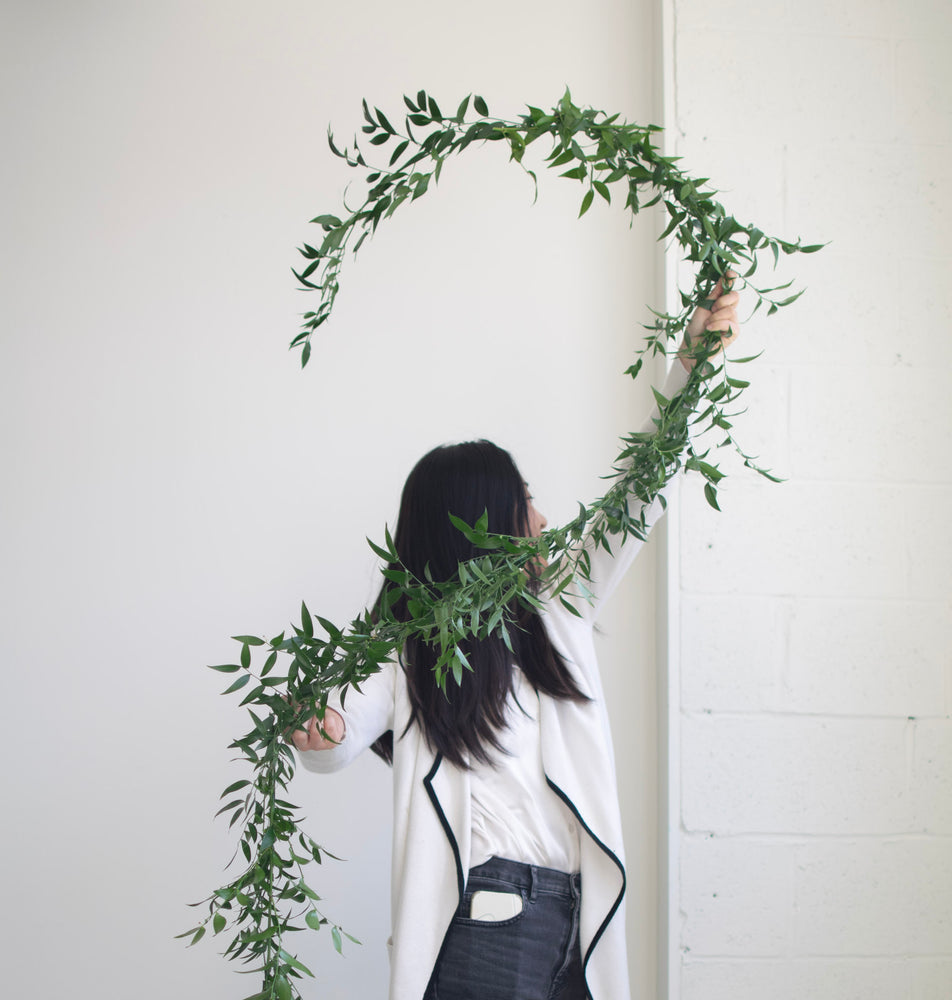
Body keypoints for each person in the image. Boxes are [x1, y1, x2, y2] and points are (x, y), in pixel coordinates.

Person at [293, 278, 740, 1000]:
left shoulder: (557, 609)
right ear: (484, 524)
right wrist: (324, 729)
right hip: (488, 925)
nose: (542, 516)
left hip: (574, 922)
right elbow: (342, 720)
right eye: (525, 500)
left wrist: (691, 363)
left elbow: (641, 487)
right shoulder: (414, 651)